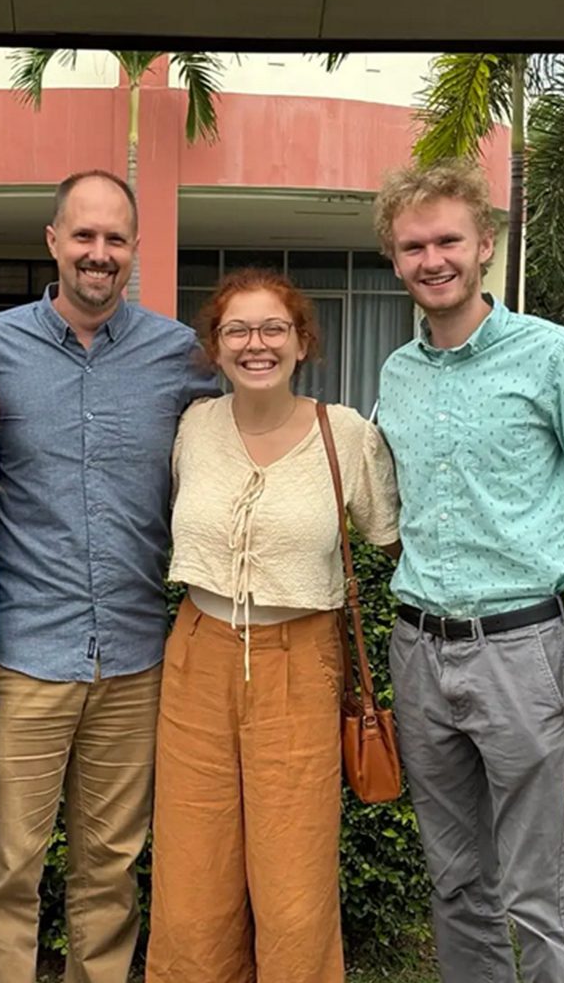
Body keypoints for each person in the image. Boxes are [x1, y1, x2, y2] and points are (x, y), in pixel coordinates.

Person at [373, 159, 564, 983]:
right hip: (418, 651)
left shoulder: (552, 354)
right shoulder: (397, 374)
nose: (433, 260)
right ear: (395, 259)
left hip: (521, 650)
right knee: (456, 879)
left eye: (448, 240)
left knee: (533, 883)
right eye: (413, 246)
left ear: (484, 244)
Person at [0, 170, 220, 983]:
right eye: (83, 235)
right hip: (25, 656)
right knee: (6, 866)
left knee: (111, 866)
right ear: (53, 242)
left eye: (114, 239)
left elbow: (235, 444)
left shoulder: (178, 354)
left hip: (136, 657)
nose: (98, 253)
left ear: (134, 248)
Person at [144, 269, 401, 983]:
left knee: (294, 886)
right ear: (215, 347)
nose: (255, 344)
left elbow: (397, 543)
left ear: (301, 341)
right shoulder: (194, 427)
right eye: (237, 330)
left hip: (301, 660)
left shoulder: (343, 435)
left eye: (272, 329)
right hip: (198, 653)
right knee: (192, 880)